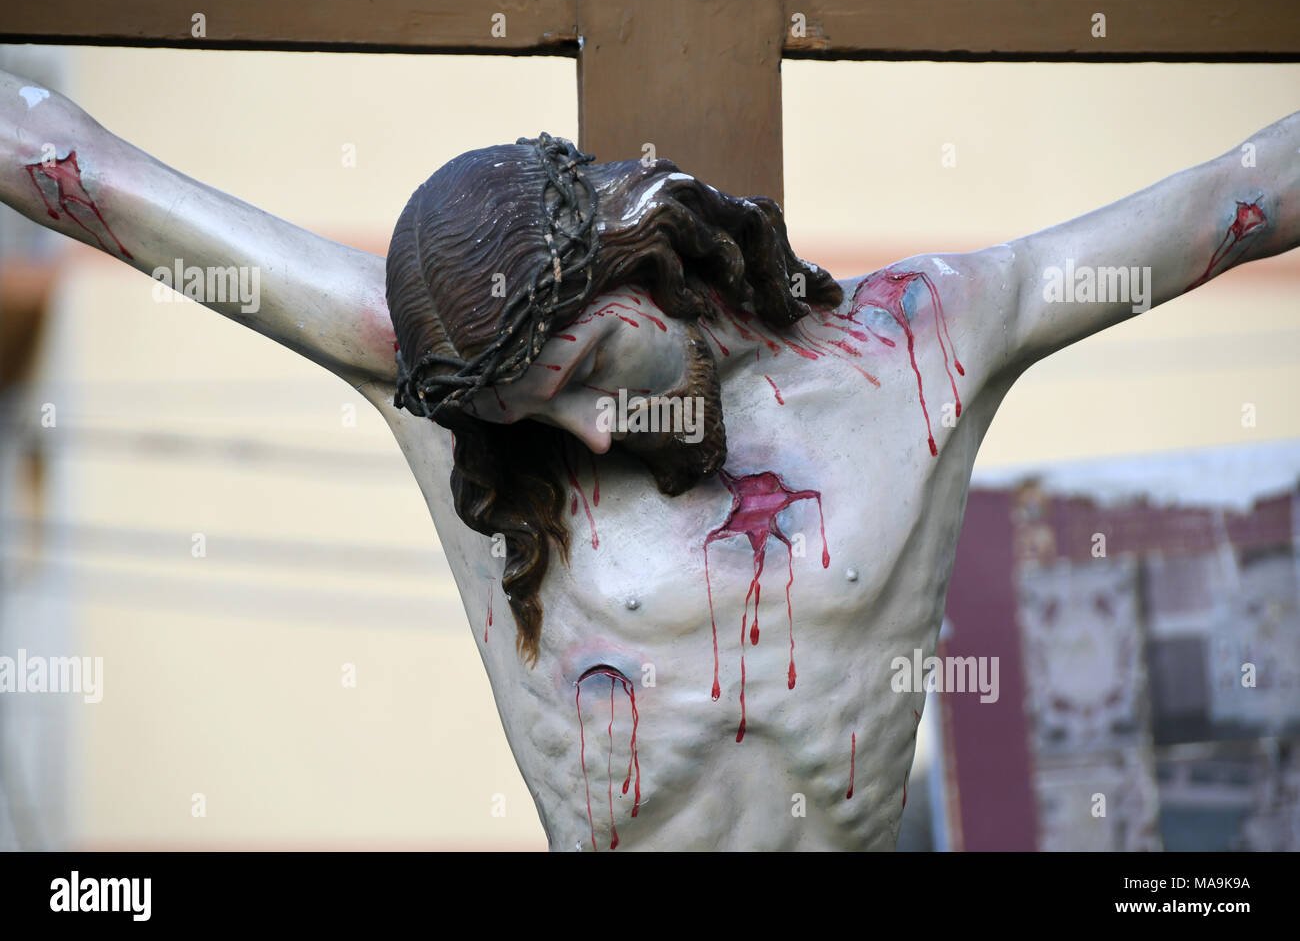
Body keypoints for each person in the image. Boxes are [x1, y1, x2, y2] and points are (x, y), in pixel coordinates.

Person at [1, 67, 1296, 849]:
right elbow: (91, 178)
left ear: (646, 258)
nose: (592, 438)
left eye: (582, 381)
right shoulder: (452, 392)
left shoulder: (926, 348)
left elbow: (1234, 197)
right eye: (536, 421)